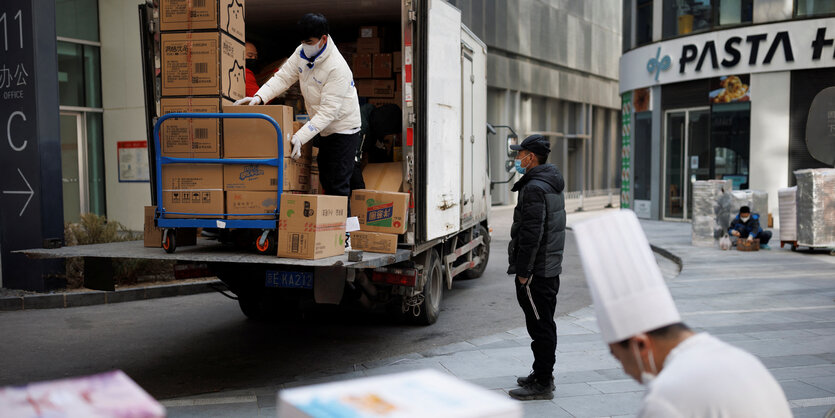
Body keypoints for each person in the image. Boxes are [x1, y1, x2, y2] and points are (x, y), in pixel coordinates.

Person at [573, 211, 792, 418]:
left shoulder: (667, 397)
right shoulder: (739, 358)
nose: (625, 370)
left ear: (639, 344)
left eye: (617, 357)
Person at [235, 13, 361, 201]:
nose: (305, 46)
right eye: (303, 41)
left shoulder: (337, 68)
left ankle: (343, 230)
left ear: (323, 39)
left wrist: (300, 137)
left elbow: (328, 112)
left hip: (343, 129)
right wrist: (259, 97)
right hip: (324, 129)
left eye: (309, 42)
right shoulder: (302, 52)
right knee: (327, 179)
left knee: (338, 185)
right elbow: (284, 77)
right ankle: (341, 224)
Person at [506, 134, 566, 401]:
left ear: (531, 157)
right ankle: (542, 373)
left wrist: (523, 273)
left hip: (537, 271)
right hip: (549, 267)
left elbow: (532, 234)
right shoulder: (550, 183)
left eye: (520, 154)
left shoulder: (534, 188)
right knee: (544, 323)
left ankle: (542, 382)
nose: (517, 158)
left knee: (540, 326)